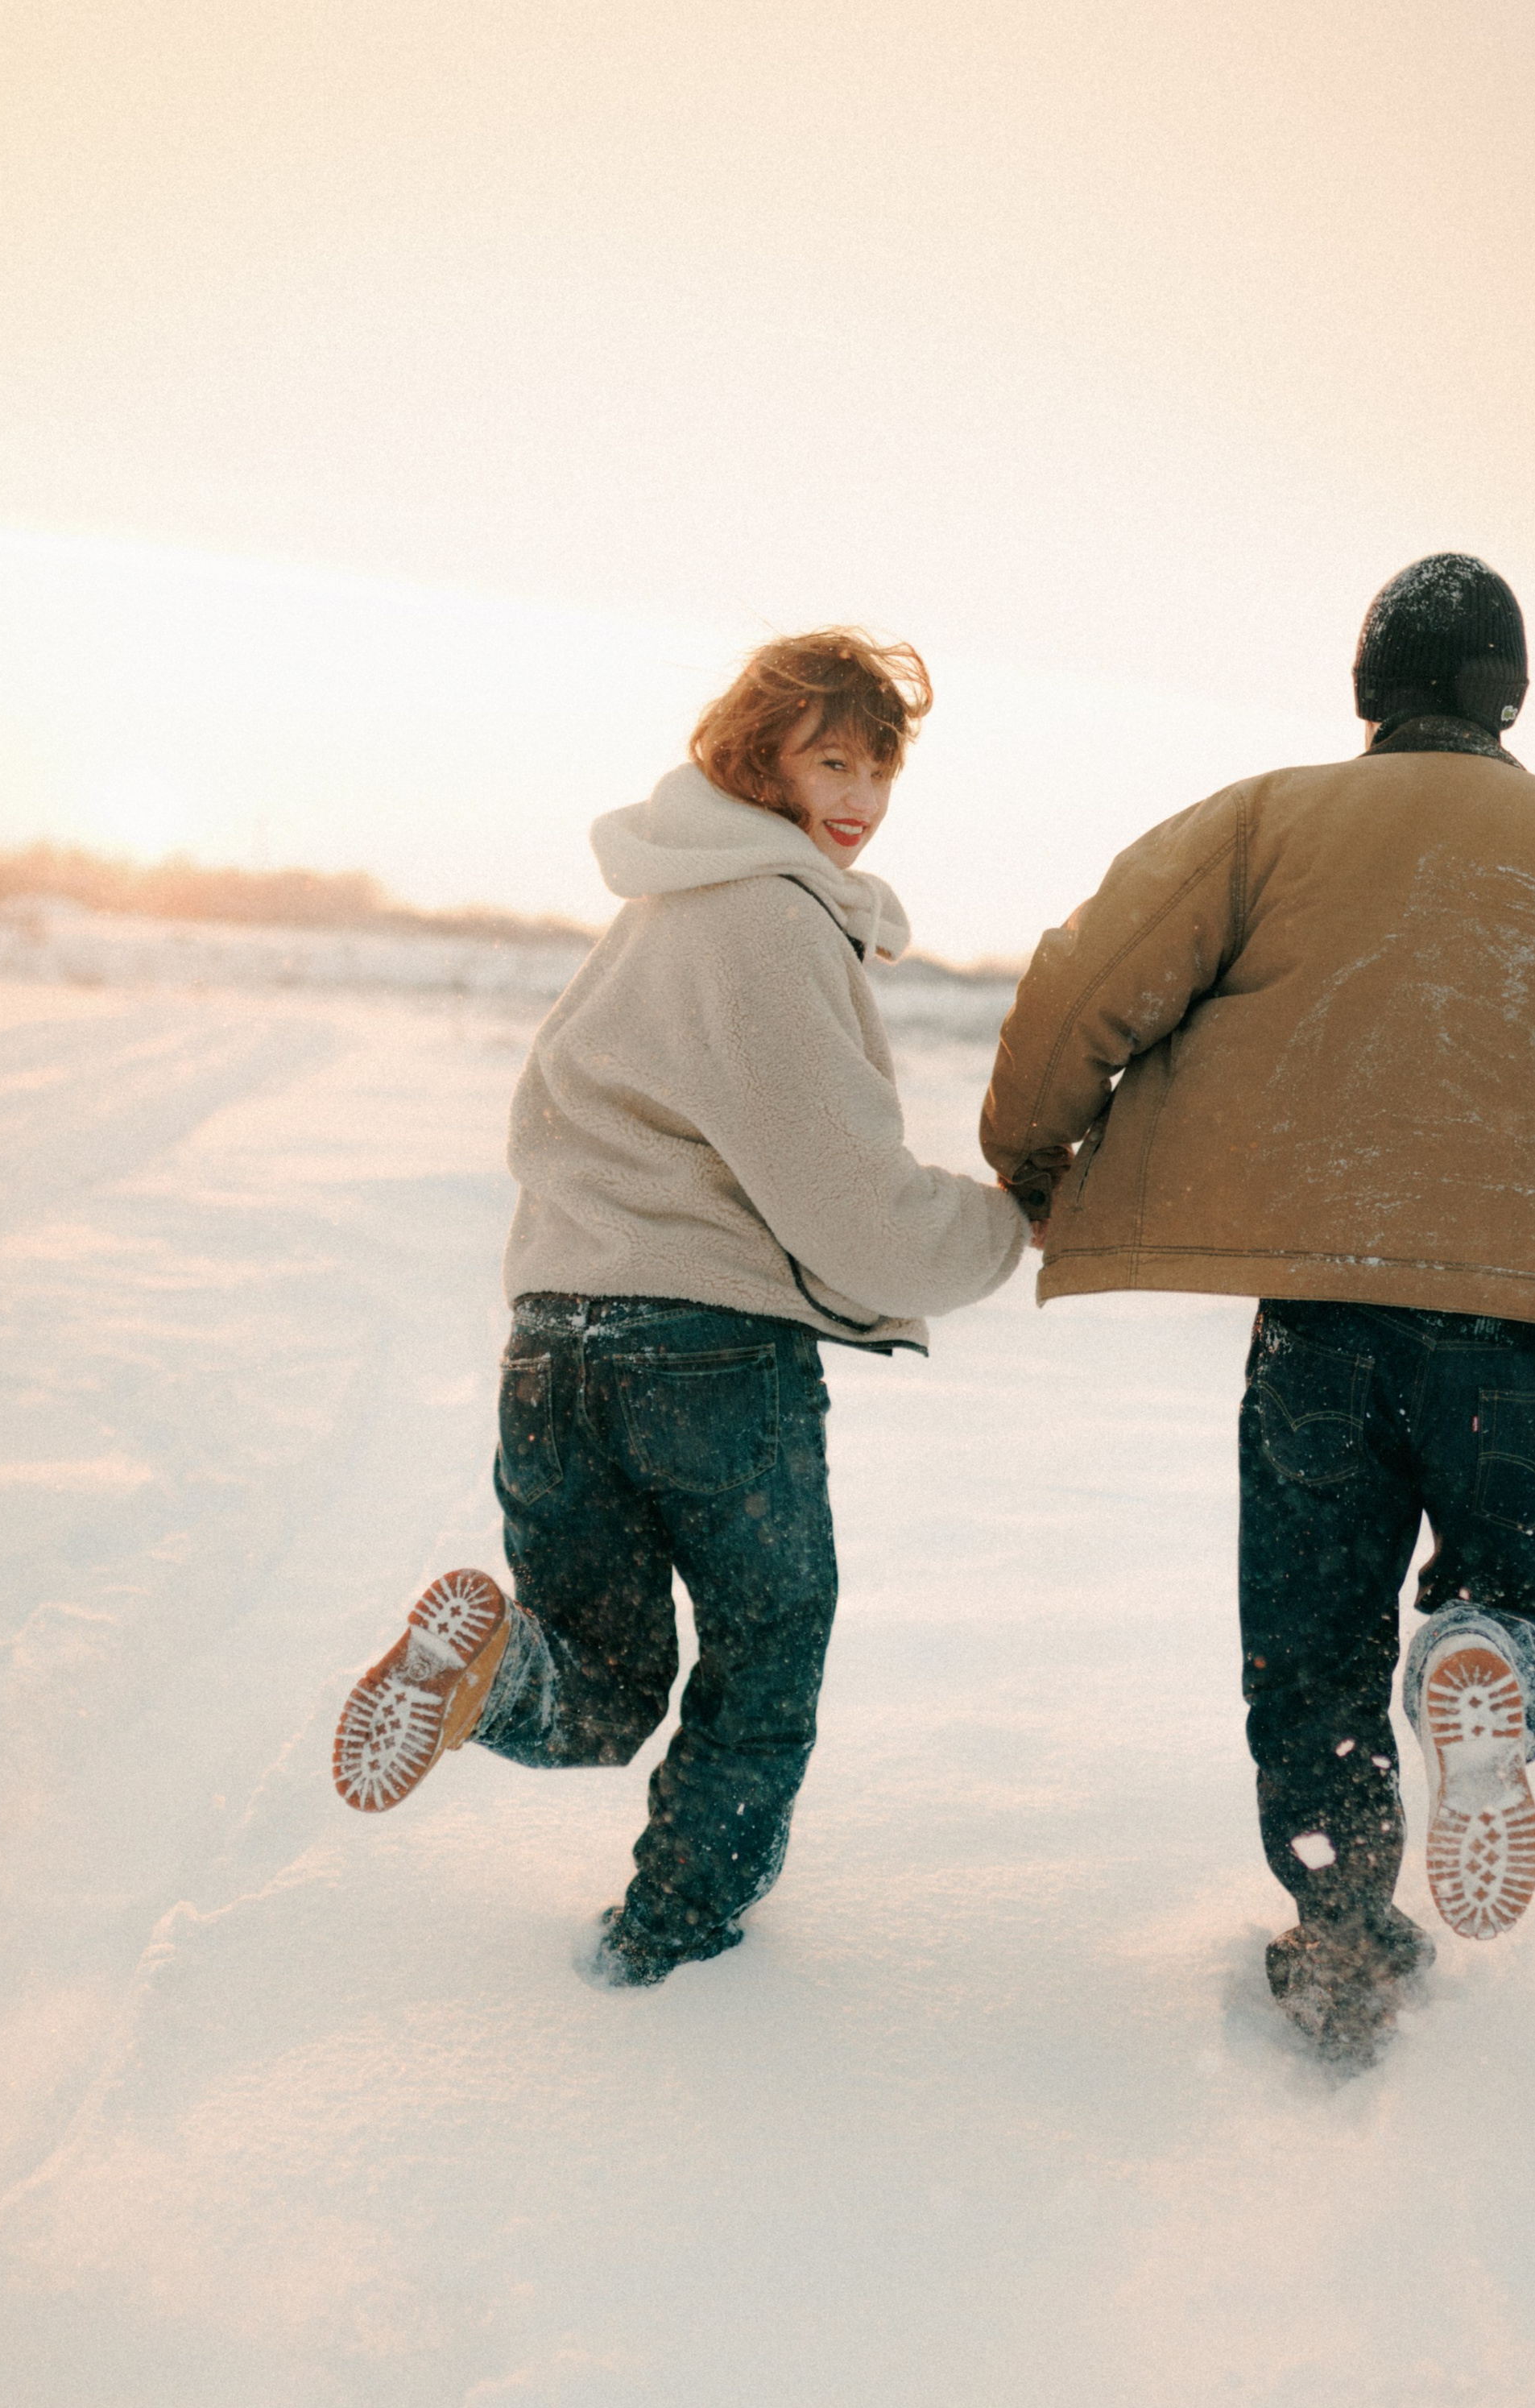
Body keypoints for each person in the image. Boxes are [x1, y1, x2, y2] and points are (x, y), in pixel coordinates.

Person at [979, 554, 1535, 2060]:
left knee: (1313, 1642)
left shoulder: (1268, 821)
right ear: (1511, 697)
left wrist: (1031, 1155)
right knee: (1521, 1600)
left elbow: (1090, 979)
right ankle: (1491, 1671)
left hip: (1326, 1324)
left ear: (1367, 688)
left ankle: (1342, 1935)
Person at [333, 631, 1029, 1985]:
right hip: (705, 1361)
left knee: (599, 1687)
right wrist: (1012, 1223)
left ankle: (486, 1676)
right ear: (756, 759)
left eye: (880, 769)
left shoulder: (654, 917)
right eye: (831, 761)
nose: (862, 798)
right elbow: (855, 1208)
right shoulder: (764, 920)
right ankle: (671, 1945)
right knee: (764, 1661)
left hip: (552, 1348)